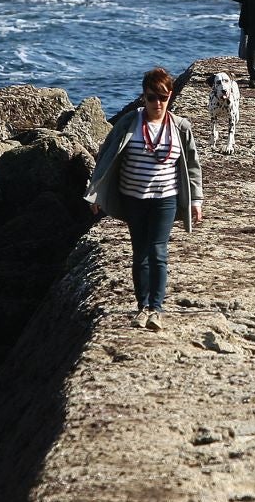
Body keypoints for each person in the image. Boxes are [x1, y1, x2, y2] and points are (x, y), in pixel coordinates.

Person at [84, 68, 204, 331]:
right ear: (144, 96)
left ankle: (156, 309)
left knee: (158, 252)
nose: (157, 103)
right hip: (133, 198)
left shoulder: (180, 127)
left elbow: (192, 165)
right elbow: (105, 156)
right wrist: (95, 192)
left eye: (162, 97)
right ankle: (142, 306)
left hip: (165, 200)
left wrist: (196, 200)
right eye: (151, 97)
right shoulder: (130, 122)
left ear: (170, 96)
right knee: (140, 254)